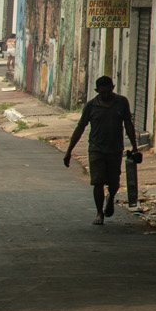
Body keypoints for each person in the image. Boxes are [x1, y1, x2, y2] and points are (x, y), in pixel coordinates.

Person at [65, 76, 138, 225]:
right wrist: (69, 151)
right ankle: (99, 213)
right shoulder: (91, 106)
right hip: (96, 149)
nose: (105, 95)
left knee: (114, 181)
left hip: (115, 149)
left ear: (113, 88)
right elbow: (80, 128)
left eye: (108, 91)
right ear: (97, 91)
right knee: (97, 182)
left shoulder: (122, 102)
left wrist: (135, 146)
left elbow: (128, 124)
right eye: (102, 92)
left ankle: (110, 198)